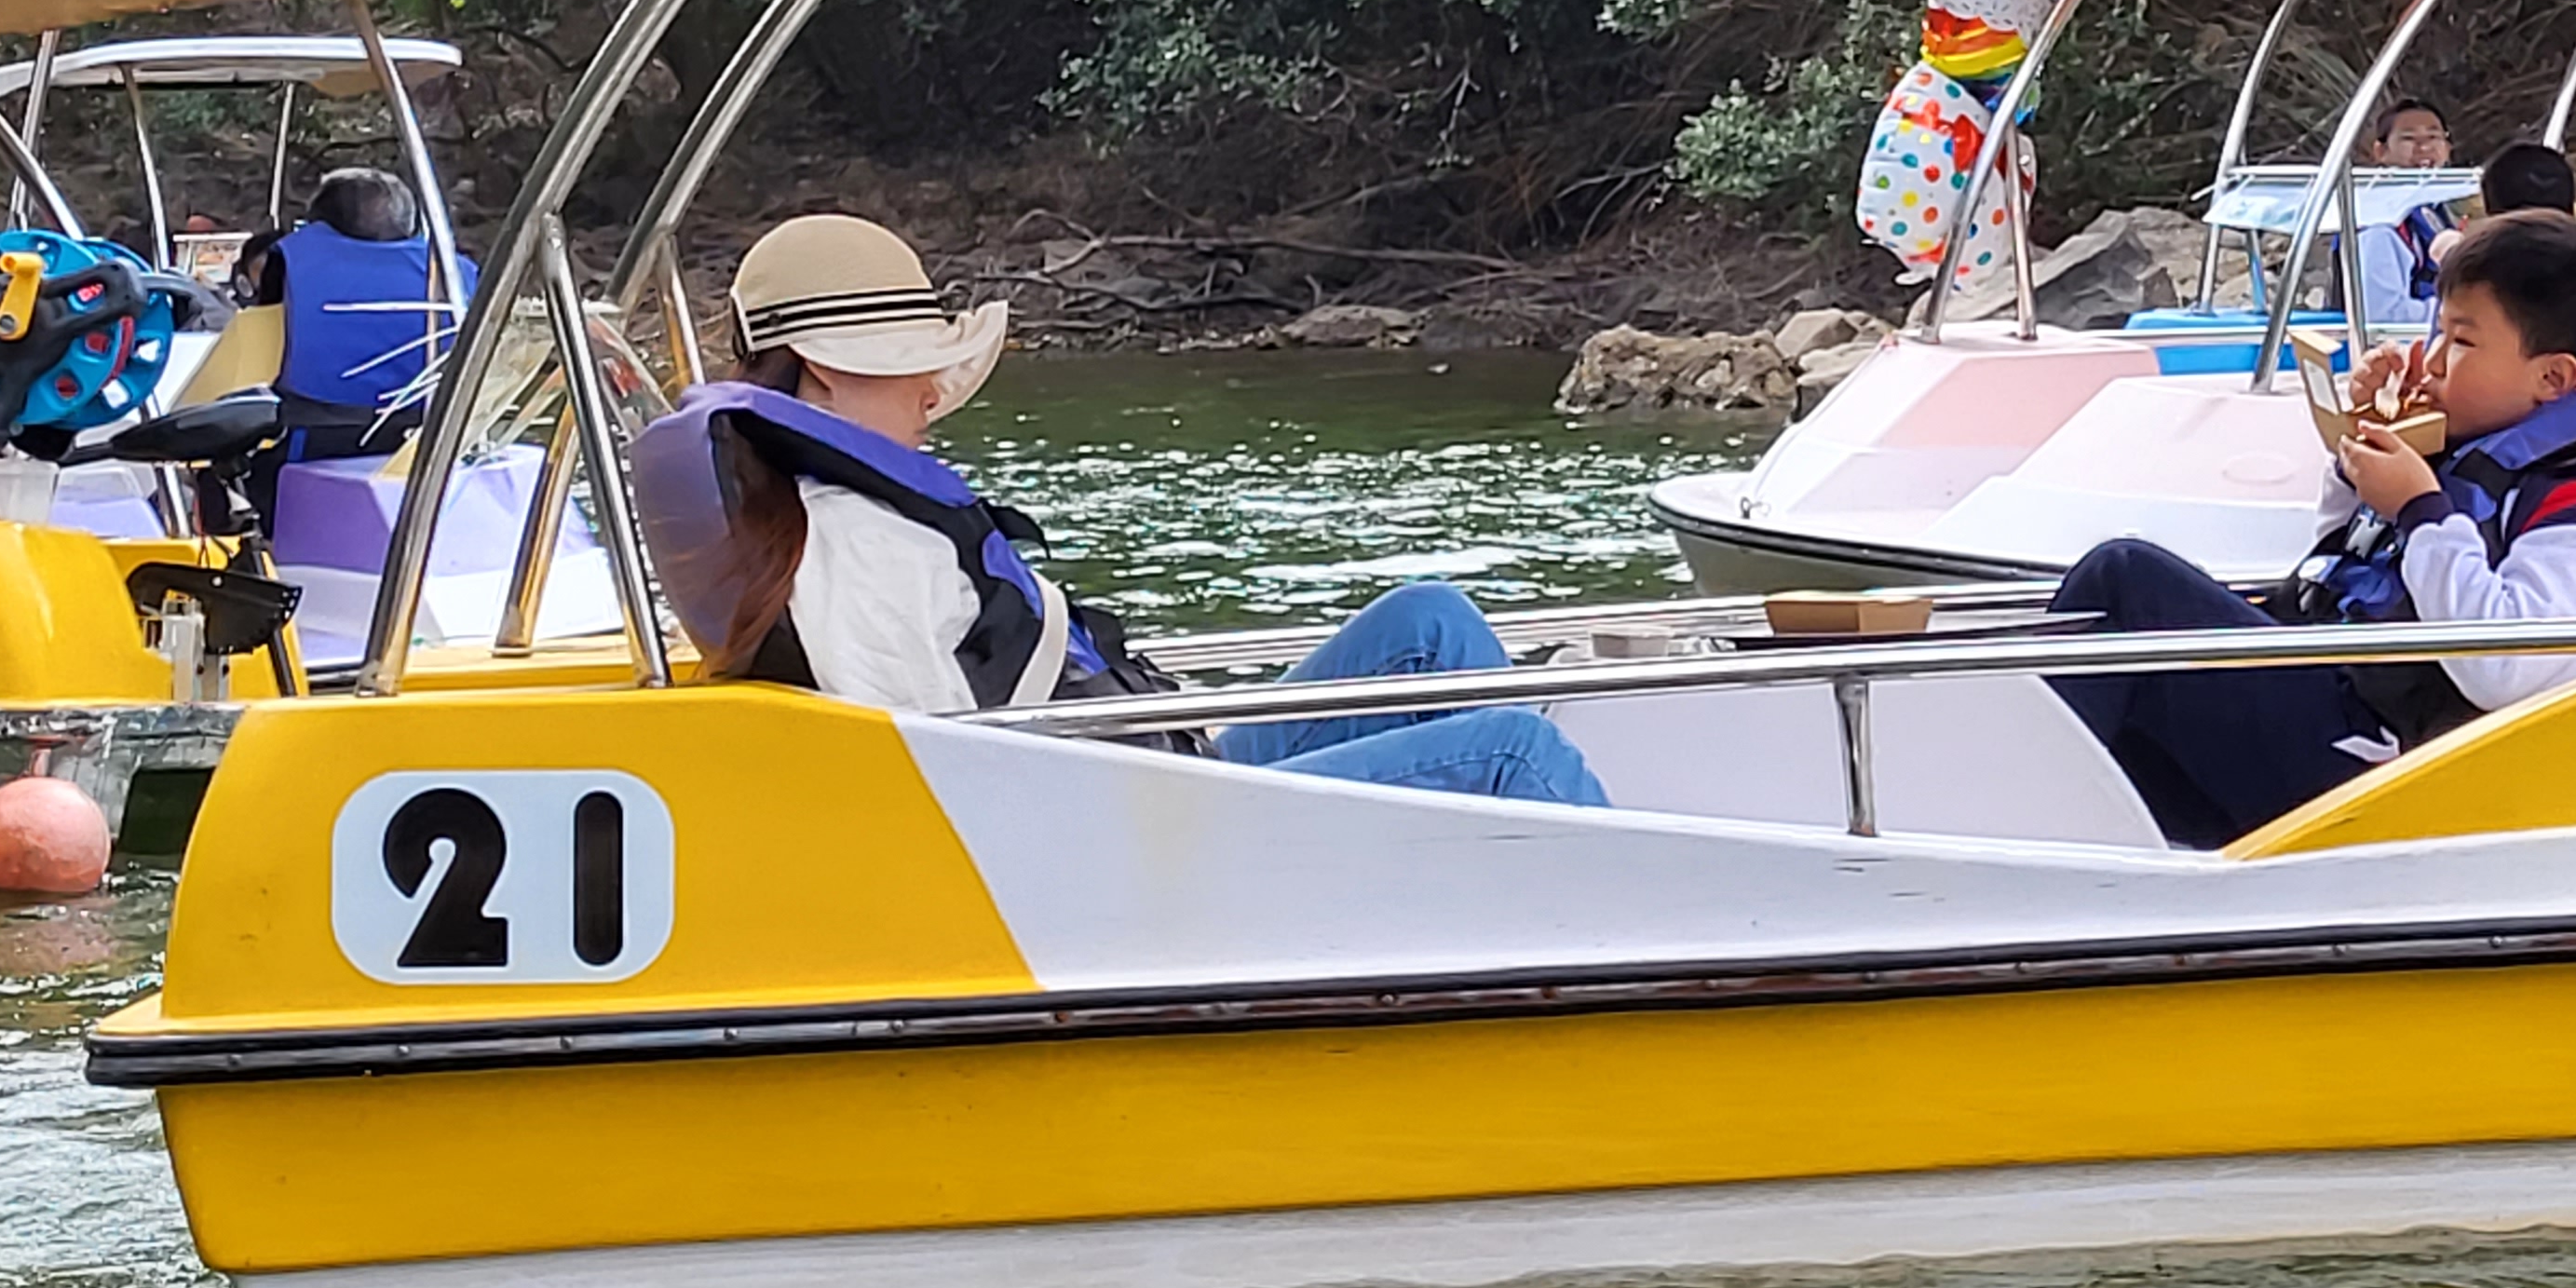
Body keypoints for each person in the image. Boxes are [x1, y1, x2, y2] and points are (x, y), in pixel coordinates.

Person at [632, 214, 1603, 807]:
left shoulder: (851, 514)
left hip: (1153, 773)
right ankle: (1633, 950)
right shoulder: (853, 553)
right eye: (908, 367)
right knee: (1515, 753)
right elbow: (937, 795)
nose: (931, 393)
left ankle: (1511, 879)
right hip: (1139, 834)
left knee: (1428, 621)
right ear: (826, 371)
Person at [2047, 210, 2576, 848]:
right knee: (2124, 703)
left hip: (2390, 767)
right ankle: (2040, 822)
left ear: (2552, 378)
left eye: (2462, 342)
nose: (2433, 361)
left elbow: (2505, 669)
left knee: (2127, 582)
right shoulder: (2467, 452)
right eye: (2437, 331)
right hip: (2331, 696)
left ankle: (2022, 814)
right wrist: (2365, 445)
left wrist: (2421, 510)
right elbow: (2341, 562)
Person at [250, 165, 474, 515]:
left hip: (313, 441)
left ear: (319, 221)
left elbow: (261, 343)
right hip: (427, 439)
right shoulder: (454, 271)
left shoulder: (290, 261)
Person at [2351, 99, 2464, 311]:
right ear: (2381, 151)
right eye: (2409, 138)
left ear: (2448, 147)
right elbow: (2384, 314)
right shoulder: (2377, 221)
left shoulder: (2435, 209)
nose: (2424, 147)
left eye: (2433, 137)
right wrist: (2468, 313)